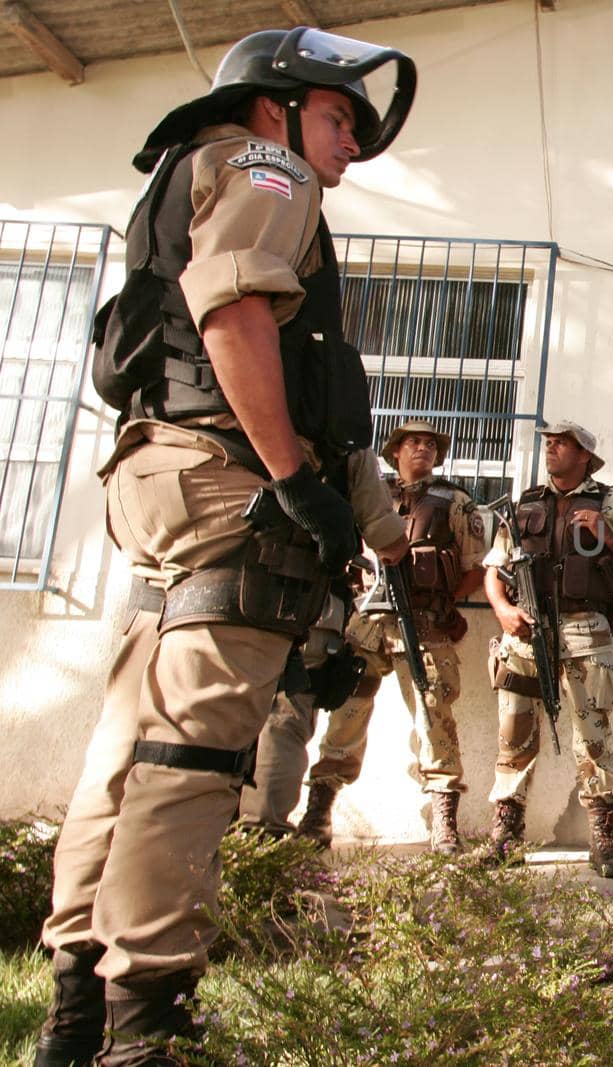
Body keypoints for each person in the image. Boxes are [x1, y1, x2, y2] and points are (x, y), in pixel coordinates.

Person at [35, 26, 416, 1066]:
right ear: (276, 106)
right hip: (228, 485)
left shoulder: (191, 171)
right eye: (340, 117)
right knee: (194, 752)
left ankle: (73, 1008)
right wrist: (292, 477)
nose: (351, 143)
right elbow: (235, 311)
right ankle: (145, 1025)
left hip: (166, 479)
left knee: (129, 743)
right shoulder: (267, 167)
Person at [295, 420, 487, 854]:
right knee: (345, 715)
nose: (423, 449)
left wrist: (441, 599)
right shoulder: (370, 494)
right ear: (395, 451)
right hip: (367, 626)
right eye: (413, 442)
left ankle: (443, 823)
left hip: (425, 626)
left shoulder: (455, 500)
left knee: (434, 717)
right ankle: (319, 811)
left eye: (430, 444)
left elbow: (476, 566)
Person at [482, 421, 613, 875]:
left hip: (584, 631)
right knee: (514, 736)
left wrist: (608, 534)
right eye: (548, 442)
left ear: (584, 455)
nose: (551, 448)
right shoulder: (524, 504)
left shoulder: (610, 501)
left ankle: (602, 838)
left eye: (561, 443)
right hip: (525, 632)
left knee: (594, 738)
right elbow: (493, 568)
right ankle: (506, 832)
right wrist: (503, 609)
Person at [236, 447, 407, 836]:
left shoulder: (225, 418)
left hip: (222, 589)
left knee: (223, 713)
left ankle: (218, 828)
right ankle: (264, 834)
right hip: (299, 598)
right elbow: (386, 537)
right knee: (286, 715)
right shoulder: (340, 436)